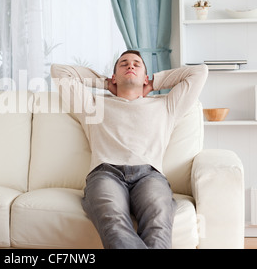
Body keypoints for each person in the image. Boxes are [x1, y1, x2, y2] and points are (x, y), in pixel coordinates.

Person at [51, 50, 208, 249]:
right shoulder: (92, 105)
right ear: (115, 76)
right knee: (113, 220)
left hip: (149, 175)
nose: (130, 66)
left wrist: (154, 83)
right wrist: (106, 83)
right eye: (124, 64)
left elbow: (200, 72)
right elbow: (59, 71)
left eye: (137, 64)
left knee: (159, 218)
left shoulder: (167, 105)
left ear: (145, 77)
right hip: (105, 174)